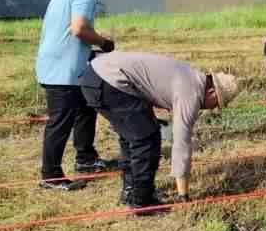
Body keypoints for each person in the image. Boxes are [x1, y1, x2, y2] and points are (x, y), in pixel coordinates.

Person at [79, 51, 239, 209]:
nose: (213, 109)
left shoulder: (191, 76)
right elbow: (181, 143)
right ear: (212, 92)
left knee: (132, 136)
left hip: (96, 76)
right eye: (217, 104)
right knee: (146, 138)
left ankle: (131, 192)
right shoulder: (191, 93)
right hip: (109, 81)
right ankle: (142, 202)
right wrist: (184, 195)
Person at [35, 0, 119, 191]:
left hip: (60, 64)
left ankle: (86, 158)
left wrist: (89, 51)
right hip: (63, 71)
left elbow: (65, 32)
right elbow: (79, 29)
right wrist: (104, 42)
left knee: (86, 108)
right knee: (60, 122)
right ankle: (50, 176)